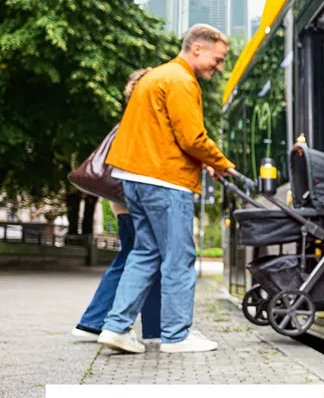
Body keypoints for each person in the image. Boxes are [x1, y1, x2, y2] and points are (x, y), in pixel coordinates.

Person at [98, 24, 237, 355]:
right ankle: (176, 335)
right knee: (179, 256)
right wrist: (221, 163)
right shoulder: (181, 80)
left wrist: (203, 162)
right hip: (165, 180)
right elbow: (192, 138)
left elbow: (162, 133)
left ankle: (116, 327)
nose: (219, 68)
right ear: (198, 48)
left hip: (135, 177)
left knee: (145, 252)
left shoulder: (154, 77)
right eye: (217, 60)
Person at [72, 69, 163, 343]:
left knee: (142, 258)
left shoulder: (128, 120)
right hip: (134, 202)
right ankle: (95, 321)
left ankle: (152, 327)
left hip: (122, 203)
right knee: (138, 257)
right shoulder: (142, 121)